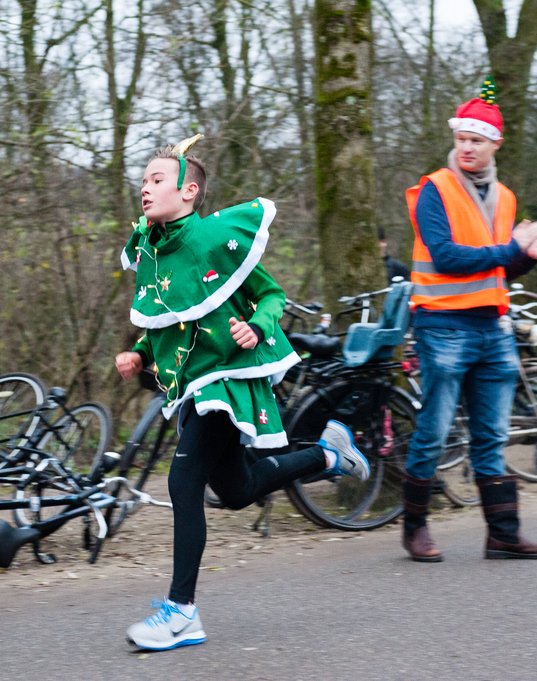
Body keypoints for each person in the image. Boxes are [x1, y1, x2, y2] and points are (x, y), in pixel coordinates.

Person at [115, 136, 371, 651]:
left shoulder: (216, 238)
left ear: (188, 191)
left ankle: (182, 613)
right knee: (235, 492)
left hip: (227, 376)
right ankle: (327, 453)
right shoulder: (151, 250)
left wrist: (257, 325)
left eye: (156, 179)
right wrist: (141, 354)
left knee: (183, 481)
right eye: (142, 181)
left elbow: (271, 294)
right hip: (190, 382)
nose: (145, 188)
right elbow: (172, 314)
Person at [402, 78, 537, 562]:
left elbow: (501, 266)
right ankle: (414, 528)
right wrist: (511, 248)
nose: (467, 148)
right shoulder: (434, 189)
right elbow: (449, 257)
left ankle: (503, 533)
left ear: (495, 143)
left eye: (477, 140)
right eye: (461, 139)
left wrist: (531, 257)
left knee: (492, 436)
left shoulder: (507, 198)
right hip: (442, 327)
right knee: (434, 431)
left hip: (493, 329)